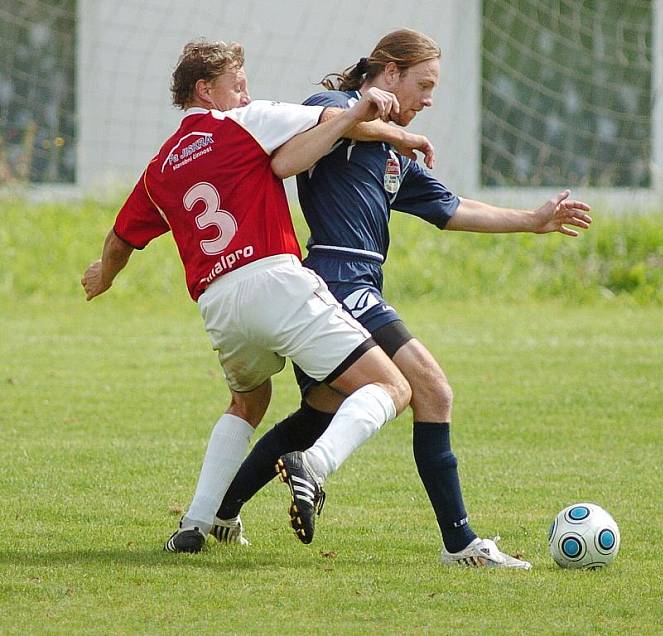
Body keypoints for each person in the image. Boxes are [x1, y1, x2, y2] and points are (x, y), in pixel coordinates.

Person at [214, 29, 592, 569]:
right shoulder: (334, 109)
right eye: (424, 84)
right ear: (389, 72)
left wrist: (532, 221)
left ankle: (221, 513)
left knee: (318, 412)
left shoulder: (390, 154)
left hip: (348, 282)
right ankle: (461, 544)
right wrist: (388, 130)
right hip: (339, 278)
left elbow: (452, 208)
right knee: (433, 392)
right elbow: (317, 133)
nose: (428, 100)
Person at [79, 38, 454, 553]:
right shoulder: (244, 120)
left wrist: (105, 276)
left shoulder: (160, 165)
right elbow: (324, 122)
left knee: (248, 400)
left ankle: (196, 522)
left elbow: (122, 239)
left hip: (216, 303)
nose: (246, 92)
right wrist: (393, 130)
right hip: (275, 281)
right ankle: (313, 466)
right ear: (206, 90)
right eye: (237, 84)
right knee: (392, 387)